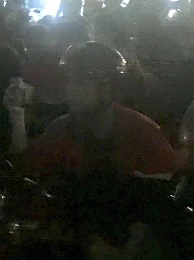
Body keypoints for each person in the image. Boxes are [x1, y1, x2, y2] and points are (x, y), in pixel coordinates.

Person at [23, 42, 174, 178]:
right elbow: (32, 174)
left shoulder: (141, 132)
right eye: (70, 81)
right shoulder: (59, 130)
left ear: (109, 87)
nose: (71, 89)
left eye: (80, 83)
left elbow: (165, 185)